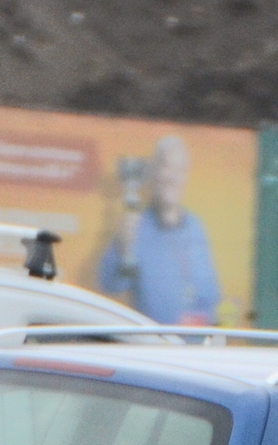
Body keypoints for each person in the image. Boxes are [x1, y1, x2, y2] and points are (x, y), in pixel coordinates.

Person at [95, 135, 222, 325]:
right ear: (153, 173)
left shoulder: (196, 227)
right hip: (153, 347)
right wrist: (121, 248)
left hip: (194, 348)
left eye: (179, 170)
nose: (172, 177)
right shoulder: (135, 227)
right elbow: (109, 284)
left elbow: (211, 294)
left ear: (185, 177)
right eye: (166, 167)